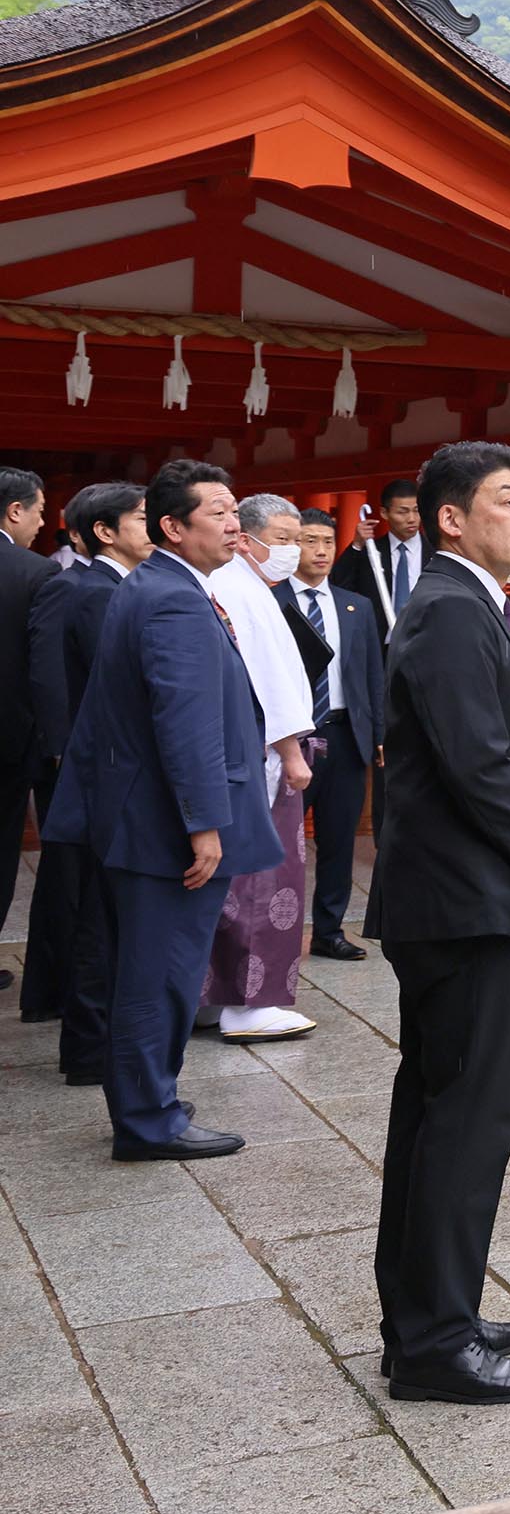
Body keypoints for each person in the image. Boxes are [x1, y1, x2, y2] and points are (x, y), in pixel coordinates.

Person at [370, 440, 510, 1406]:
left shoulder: (464, 602)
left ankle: (426, 1308)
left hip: (461, 899)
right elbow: (476, 762)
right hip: (464, 902)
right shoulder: (452, 610)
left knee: (438, 1111)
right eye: (508, 499)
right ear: (451, 516)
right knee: (464, 1121)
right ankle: (434, 1341)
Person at [44, 461, 280, 1161]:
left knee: (144, 969)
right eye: (218, 512)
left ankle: (146, 1098)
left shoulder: (158, 583)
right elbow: (185, 720)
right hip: (167, 826)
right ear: (174, 526)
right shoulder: (174, 597)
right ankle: (149, 1118)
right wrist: (204, 824)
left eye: (237, 508)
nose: (235, 523)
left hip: (138, 814)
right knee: (162, 976)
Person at [24, 481, 146, 1073]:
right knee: (92, 909)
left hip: (112, 773)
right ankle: (91, 1044)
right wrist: (63, 755)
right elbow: (59, 682)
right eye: (145, 519)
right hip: (96, 773)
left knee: (105, 908)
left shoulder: (125, 588)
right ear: (106, 531)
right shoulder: (81, 589)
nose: (157, 527)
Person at [200, 496, 323, 1042]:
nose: (291, 549)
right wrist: (293, 753)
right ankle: (249, 1001)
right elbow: (264, 683)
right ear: (245, 538)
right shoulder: (233, 586)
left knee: (240, 882)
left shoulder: (247, 587)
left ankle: (214, 995)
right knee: (261, 883)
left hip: (262, 752)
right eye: (282, 535)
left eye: (298, 536)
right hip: (266, 755)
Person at [285, 508, 382, 963]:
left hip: (344, 735)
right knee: (282, 840)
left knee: (339, 839)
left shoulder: (355, 605)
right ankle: (275, 928)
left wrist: (378, 733)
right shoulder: (272, 600)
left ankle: (329, 929)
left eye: (327, 541)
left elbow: (371, 675)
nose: (321, 550)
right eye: (309, 541)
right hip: (292, 737)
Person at [0, 465, 53, 992]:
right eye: (38, 511)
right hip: (8, 742)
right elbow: (43, 669)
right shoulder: (34, 572)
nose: (41, 523)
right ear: (15, 510)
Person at [331, 477, 425, 637]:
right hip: (381, 642)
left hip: (425, 639)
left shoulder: (437, 550)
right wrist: (357, 546)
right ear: (384, 513)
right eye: (402, 512)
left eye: (416, 510)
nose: (411, 518)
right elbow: (339, 585)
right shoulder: (371, 553)